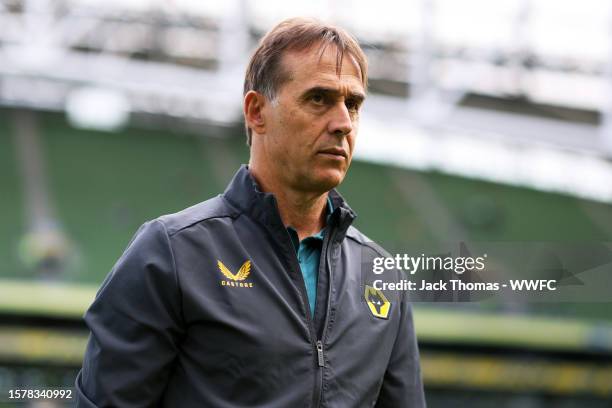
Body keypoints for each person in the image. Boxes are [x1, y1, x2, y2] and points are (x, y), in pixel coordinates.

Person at [75, 17, 426, 407]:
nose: (343, 123)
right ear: (257, 111)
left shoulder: (382, 275)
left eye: (353, 104)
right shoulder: (171, 253)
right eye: (318, 99)